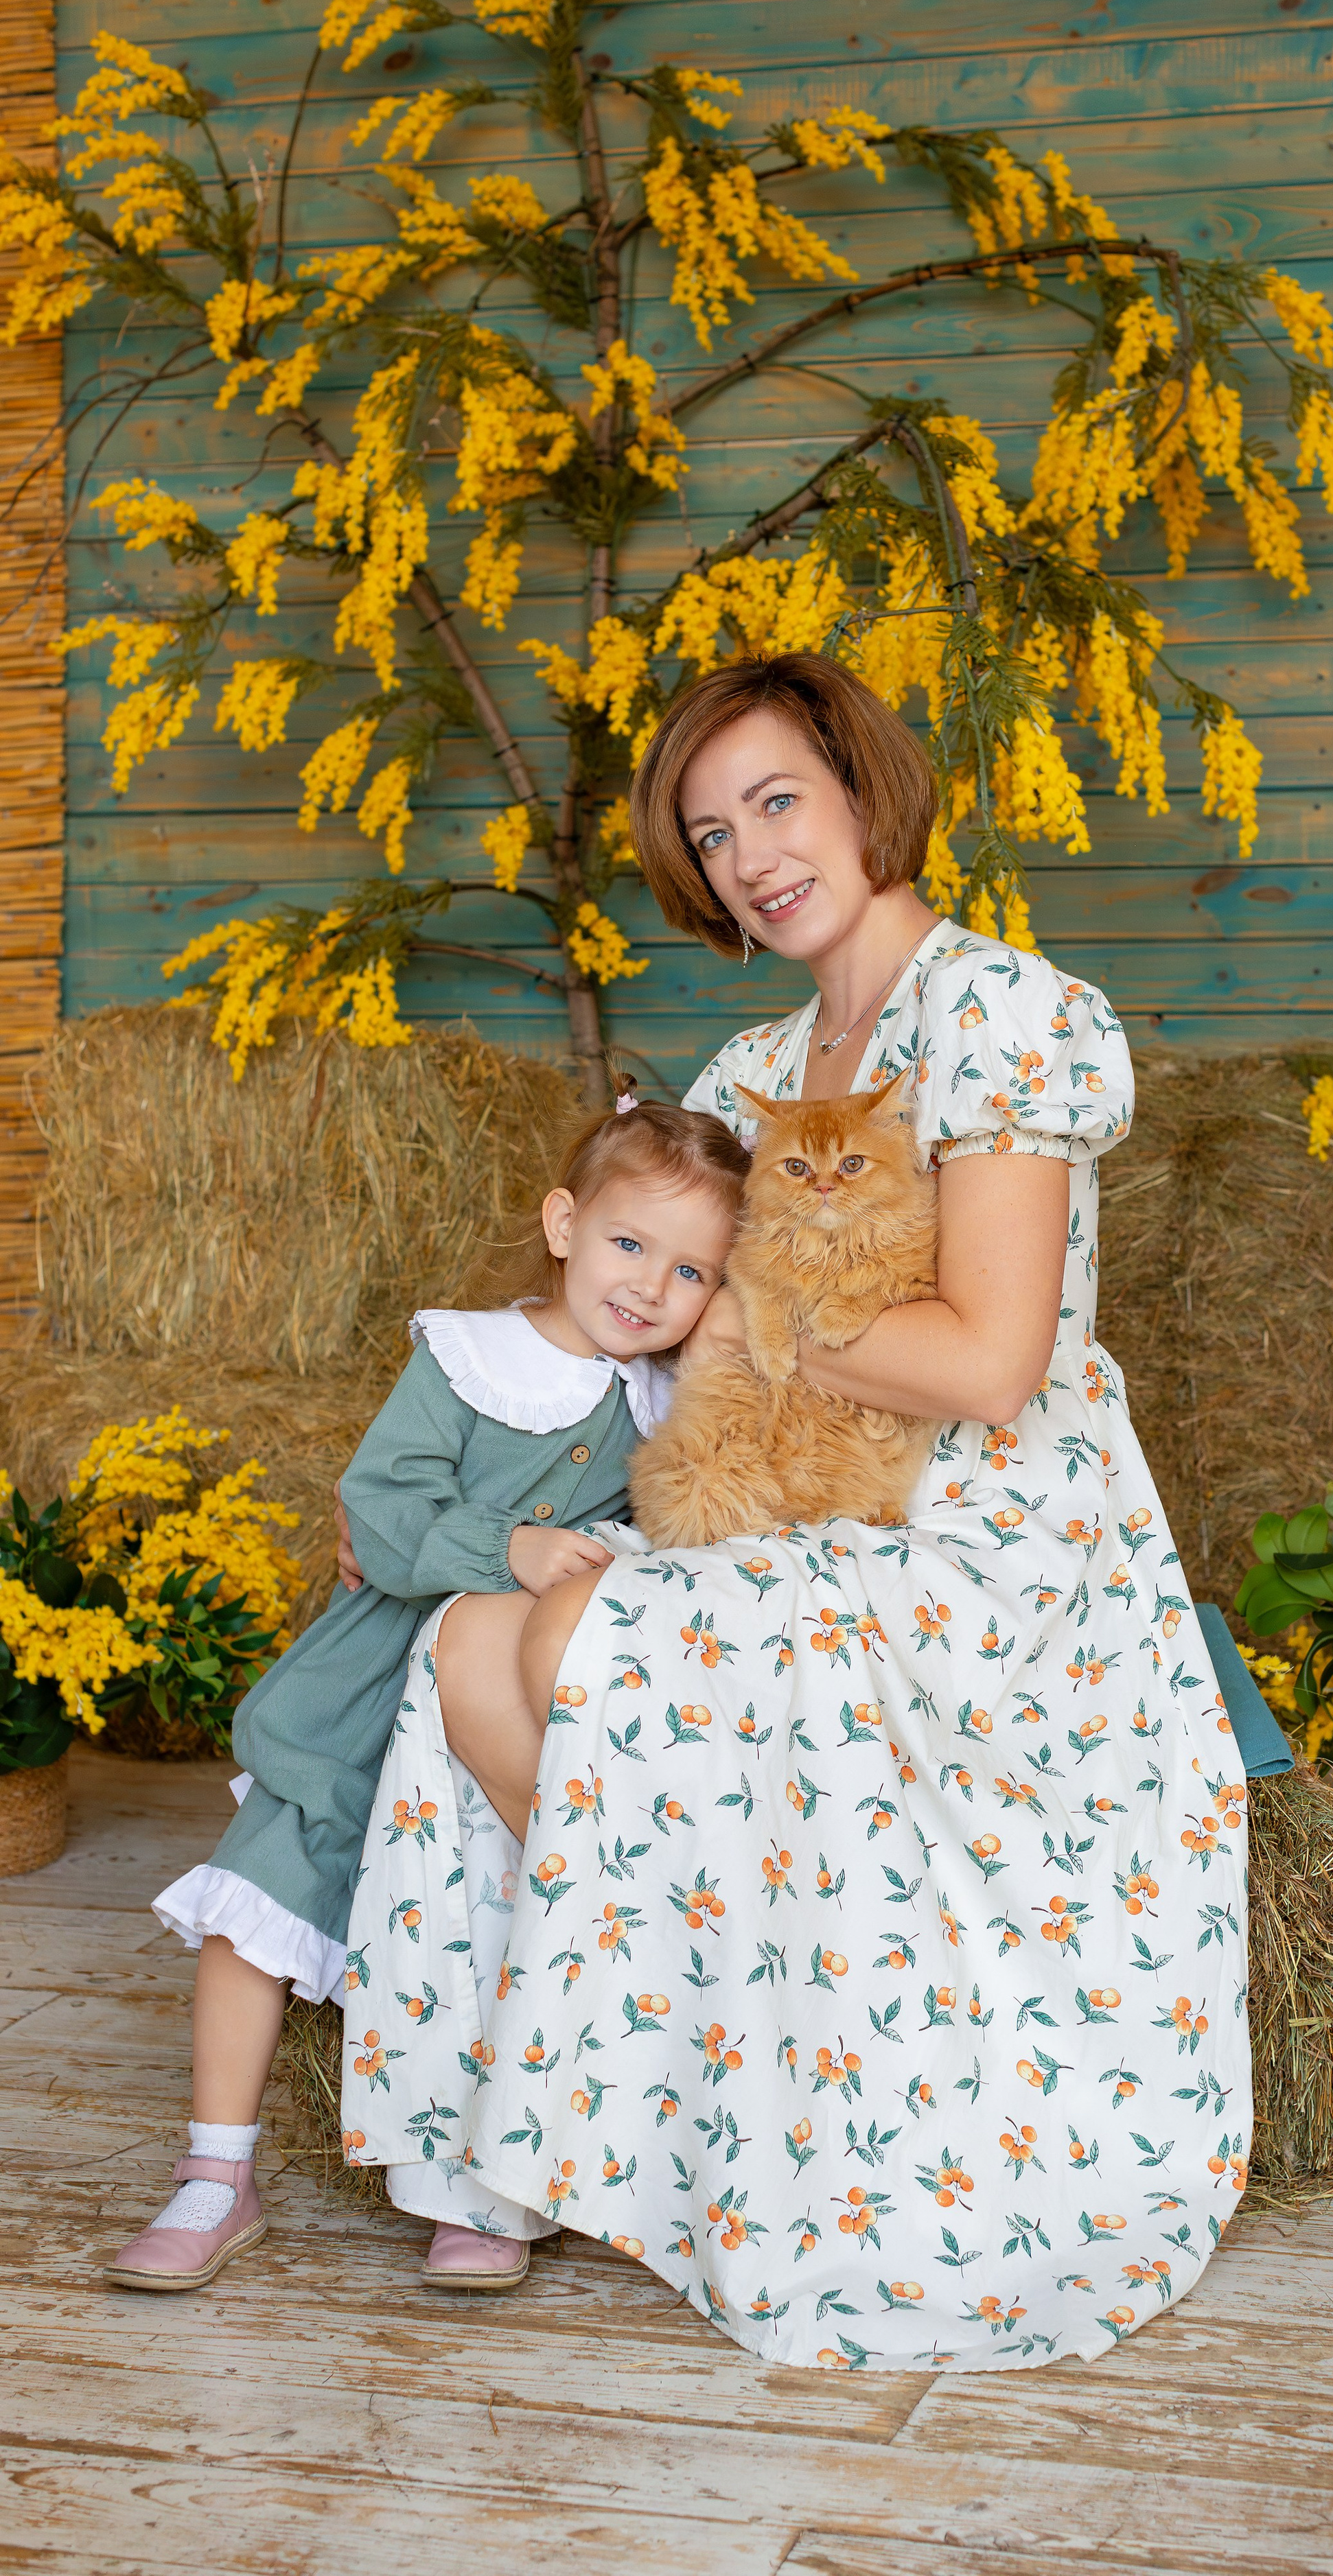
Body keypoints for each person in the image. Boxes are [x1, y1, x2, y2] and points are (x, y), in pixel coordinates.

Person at [337, 653, 1253, 2366]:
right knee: (466, 1636)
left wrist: (763, 1301)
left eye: (777, 801)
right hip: (789, 1494)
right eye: (711, 829)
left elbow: (987, 1365)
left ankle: (757, 2051)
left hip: (985, 1542)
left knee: (590, 1629)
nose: (753, 853)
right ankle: (572, 2126)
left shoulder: (1000, 1013)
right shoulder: (758, 1054)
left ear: (857, 791)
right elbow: (666, 1330)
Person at [106, 1097, 750, 2291]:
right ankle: (214, 2174)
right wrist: (504, 1550)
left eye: (693, 1270)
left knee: (498, 1913)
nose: (652, 1286)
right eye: (628, 1244)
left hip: (492, 1722)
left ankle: (482, 2189)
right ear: (563, 1225)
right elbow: (383, 1505)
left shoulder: (672, 1402)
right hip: (366, 1703)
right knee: (262, 1895)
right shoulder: (465, 1359)